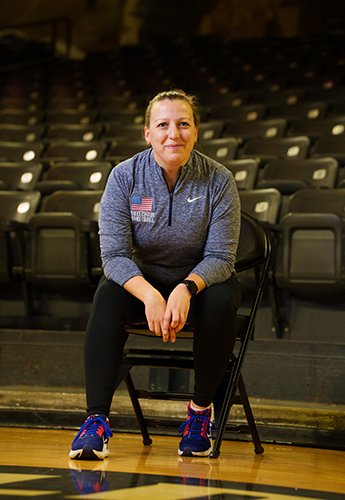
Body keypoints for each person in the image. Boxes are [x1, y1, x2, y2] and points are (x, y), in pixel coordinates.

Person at [69, 88, 241, 460]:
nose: (173, 134)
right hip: (142, 283)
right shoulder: (124, 177)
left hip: (200, 283)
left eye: (183, 124)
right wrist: (149, 294)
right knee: (106, 297)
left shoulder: (219, 180)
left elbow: (221, 257)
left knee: (222, 301)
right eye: (162, 124)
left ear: (196, 132)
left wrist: (185, 288)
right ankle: (95, 420)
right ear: (147, 133)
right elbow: (113, 255)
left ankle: (199, 413)